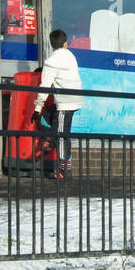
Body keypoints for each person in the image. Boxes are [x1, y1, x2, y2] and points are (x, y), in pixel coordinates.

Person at [35, 29, 83, 173]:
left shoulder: (51, 61)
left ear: (51, 44)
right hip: (75, 99)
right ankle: (51, 140)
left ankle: (64, 169)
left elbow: (45, 85)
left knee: (61, 134)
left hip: (65, 103)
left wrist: (37, 108)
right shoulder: (70, 55)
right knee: (49, 120)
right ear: (65, 44)